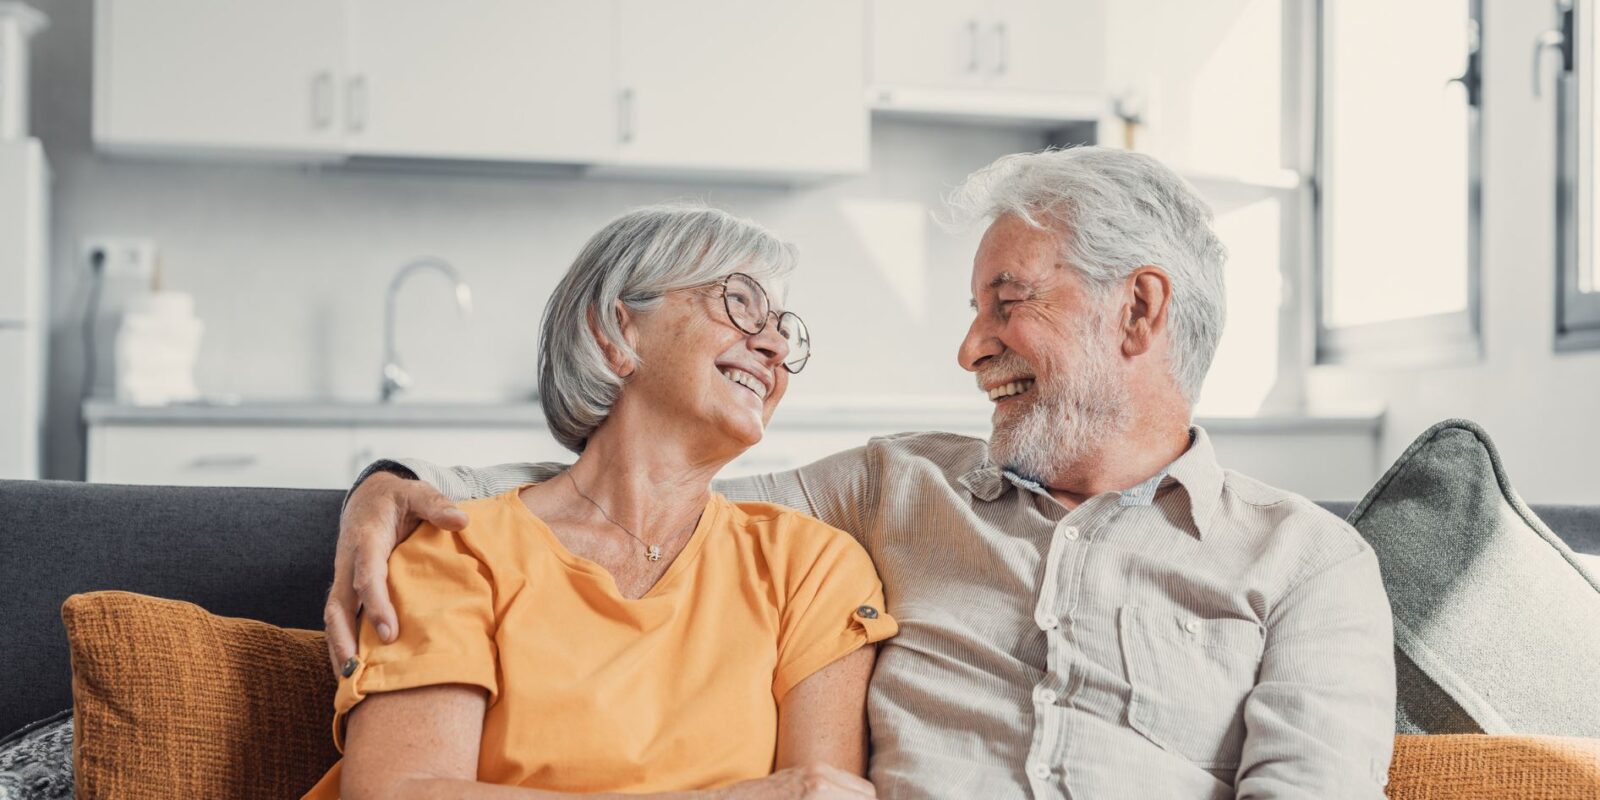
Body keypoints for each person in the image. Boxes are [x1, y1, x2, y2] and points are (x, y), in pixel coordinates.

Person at [327, 147, 1397, 799]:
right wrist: (400, 479)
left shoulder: (1307, 562)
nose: (970, 345)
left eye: (1006, 300)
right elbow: (635, 491)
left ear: (1141, 308)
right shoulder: (885, 492)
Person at [305, 205, 897, 799]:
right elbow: (397, 792)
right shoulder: (459, 549)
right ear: (614, 335)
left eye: (784, 331)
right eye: (739, 303)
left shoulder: (813, 569)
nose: (772, 345)